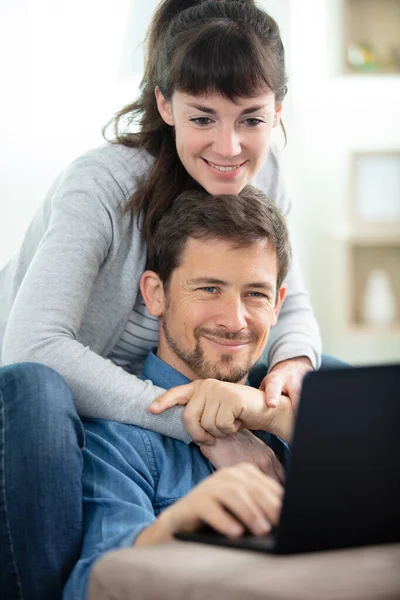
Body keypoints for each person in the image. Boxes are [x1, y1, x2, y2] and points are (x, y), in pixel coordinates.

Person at [0, 1, 325, 598]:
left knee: (339, 387)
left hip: (178, 380)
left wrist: (290, 371)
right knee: (36, 391)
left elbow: (290, 304)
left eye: (251, 120)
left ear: (277, 111)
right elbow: (34, 347)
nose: (230, 147)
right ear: (165, 104)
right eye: (204, 117)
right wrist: (207, 424)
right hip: (58, 393)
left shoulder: (268, 170)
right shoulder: (99, 186)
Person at [63, 184, 294, 599]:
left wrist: (276, 416)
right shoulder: (114, 439)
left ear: (277, 304)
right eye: (209, 289)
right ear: (156, 294)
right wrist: (174, 528)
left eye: (255, 294)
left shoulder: (295, 415)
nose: (235, 320)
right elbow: (88, 587)